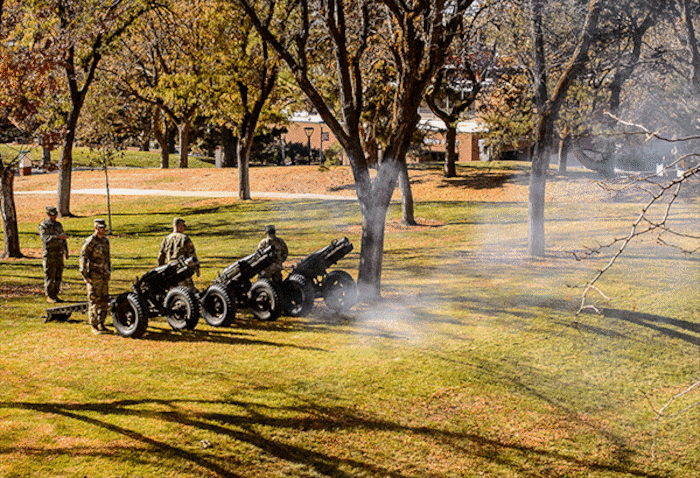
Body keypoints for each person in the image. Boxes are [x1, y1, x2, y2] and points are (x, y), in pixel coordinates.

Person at [79, 218, 111, 335]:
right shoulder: (90, 241)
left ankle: (102, 323)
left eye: (103, 228)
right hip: (94, 275)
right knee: (94, 301)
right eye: (100, 228)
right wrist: (85, 275)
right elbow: (83, 258)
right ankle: (94, 326)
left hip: (103, 275)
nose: (102, 231)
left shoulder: (105, 241)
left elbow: (108, 258)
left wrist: (108, 272)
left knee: (104, 300)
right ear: (95, 228)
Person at [157, 217, 200, 289]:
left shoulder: (166, 239)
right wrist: (196, 268)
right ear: (178, 226)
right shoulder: (184, 238)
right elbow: (192, 254)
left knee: (173, 290)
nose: (184, 228)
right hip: (182, 268)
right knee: (188, 292)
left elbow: (161, 256)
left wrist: (160, 269)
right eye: (183, 226)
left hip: (170, 269)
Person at [38, 206, 69, 303]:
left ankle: (55, 294)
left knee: (58, 276)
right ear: (48, 215)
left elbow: (63, 240)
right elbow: (45, 239)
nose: (54, 217)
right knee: (50, 275)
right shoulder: (43, 226)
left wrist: (66, 251)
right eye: (52, 215)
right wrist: (57, 237)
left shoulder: (58, 225)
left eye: (55, 215)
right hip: (50, 254)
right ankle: (50, 295)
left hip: (59, 254)